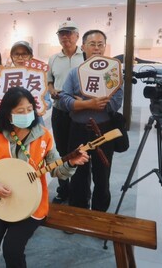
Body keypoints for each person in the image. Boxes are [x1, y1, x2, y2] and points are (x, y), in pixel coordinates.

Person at [0, 87, 89, 267]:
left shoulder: (43, 135)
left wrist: (70, 164)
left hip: (31, 203)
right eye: (20, 111)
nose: (26, 114)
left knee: (12, 249)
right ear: (8, 114)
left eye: (29, 109)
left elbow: (56, 169)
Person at [59, 29, 123, 212]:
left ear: (105, 47)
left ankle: (99, 213)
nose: (96, 48)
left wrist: (81, 102)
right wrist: (90, 104)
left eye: (100, 44)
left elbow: (116, 103)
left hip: (103, 129)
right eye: (92, 44)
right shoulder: (74, 73)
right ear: (83, 47)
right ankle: (78, 211)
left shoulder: (114, 72)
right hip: (77, 128)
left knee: (102, 173)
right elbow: (64, 101)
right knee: (78, 172)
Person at [47, 21, 85, 204]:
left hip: (80, 113)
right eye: (61, 34)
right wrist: (52, 90)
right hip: (59, 110)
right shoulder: (53, 58)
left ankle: (79, 191)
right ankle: (64, 189)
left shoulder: (85, 57)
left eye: (69, 33)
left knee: (78, 151)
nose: (65, 37)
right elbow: (49, 81)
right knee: (61, 151)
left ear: (77, 36)